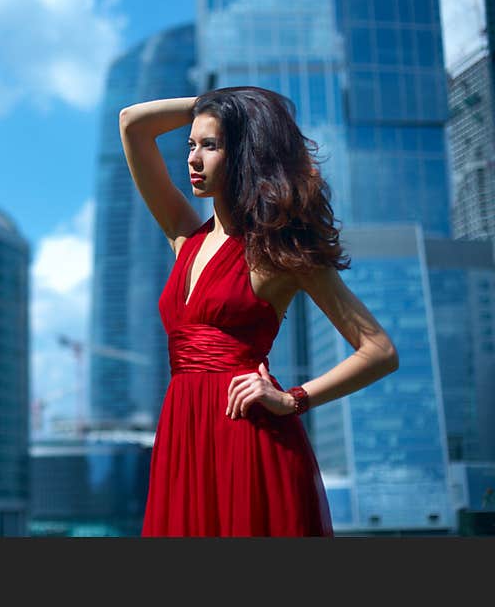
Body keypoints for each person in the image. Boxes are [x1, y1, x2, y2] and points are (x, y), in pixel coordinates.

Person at [119, 86, 399, 536]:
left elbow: (380, 351)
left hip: (246, 438)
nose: (192, 159)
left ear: (244, 153)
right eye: (190, 145)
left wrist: (294, 399)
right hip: (181, 437)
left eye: (210, 146)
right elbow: (133, 122)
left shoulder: (280, 253)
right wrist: (218, 107)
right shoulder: (184, 237)